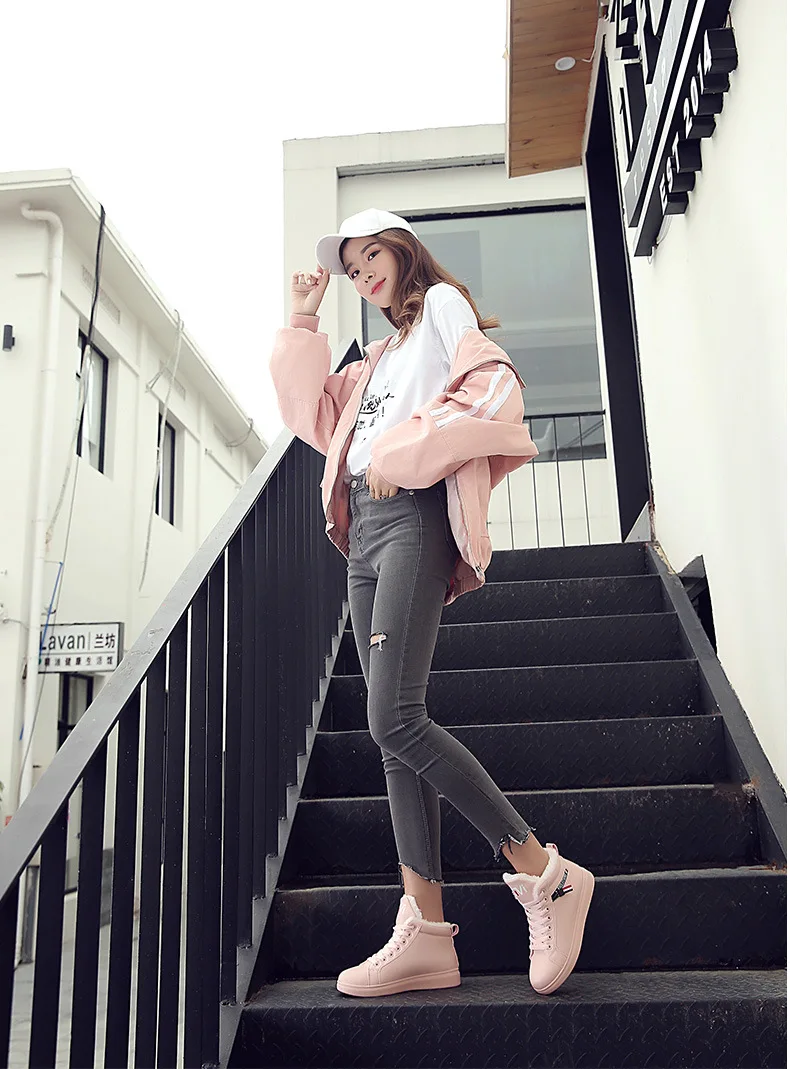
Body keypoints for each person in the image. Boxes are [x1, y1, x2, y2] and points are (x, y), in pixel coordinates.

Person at [269, 208, 595, 999]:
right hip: (364, 532)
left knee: (394, 717)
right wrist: (304, 319)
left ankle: (544, 871)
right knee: (393, 734)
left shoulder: (444, 307)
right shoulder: (377, 358)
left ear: (403, 249)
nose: (362, 275)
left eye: (370, 256)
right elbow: (312, 416)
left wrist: (404, 451)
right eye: (352, 269)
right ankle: (426, 931)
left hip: (413, 515)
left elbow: (494, 390)